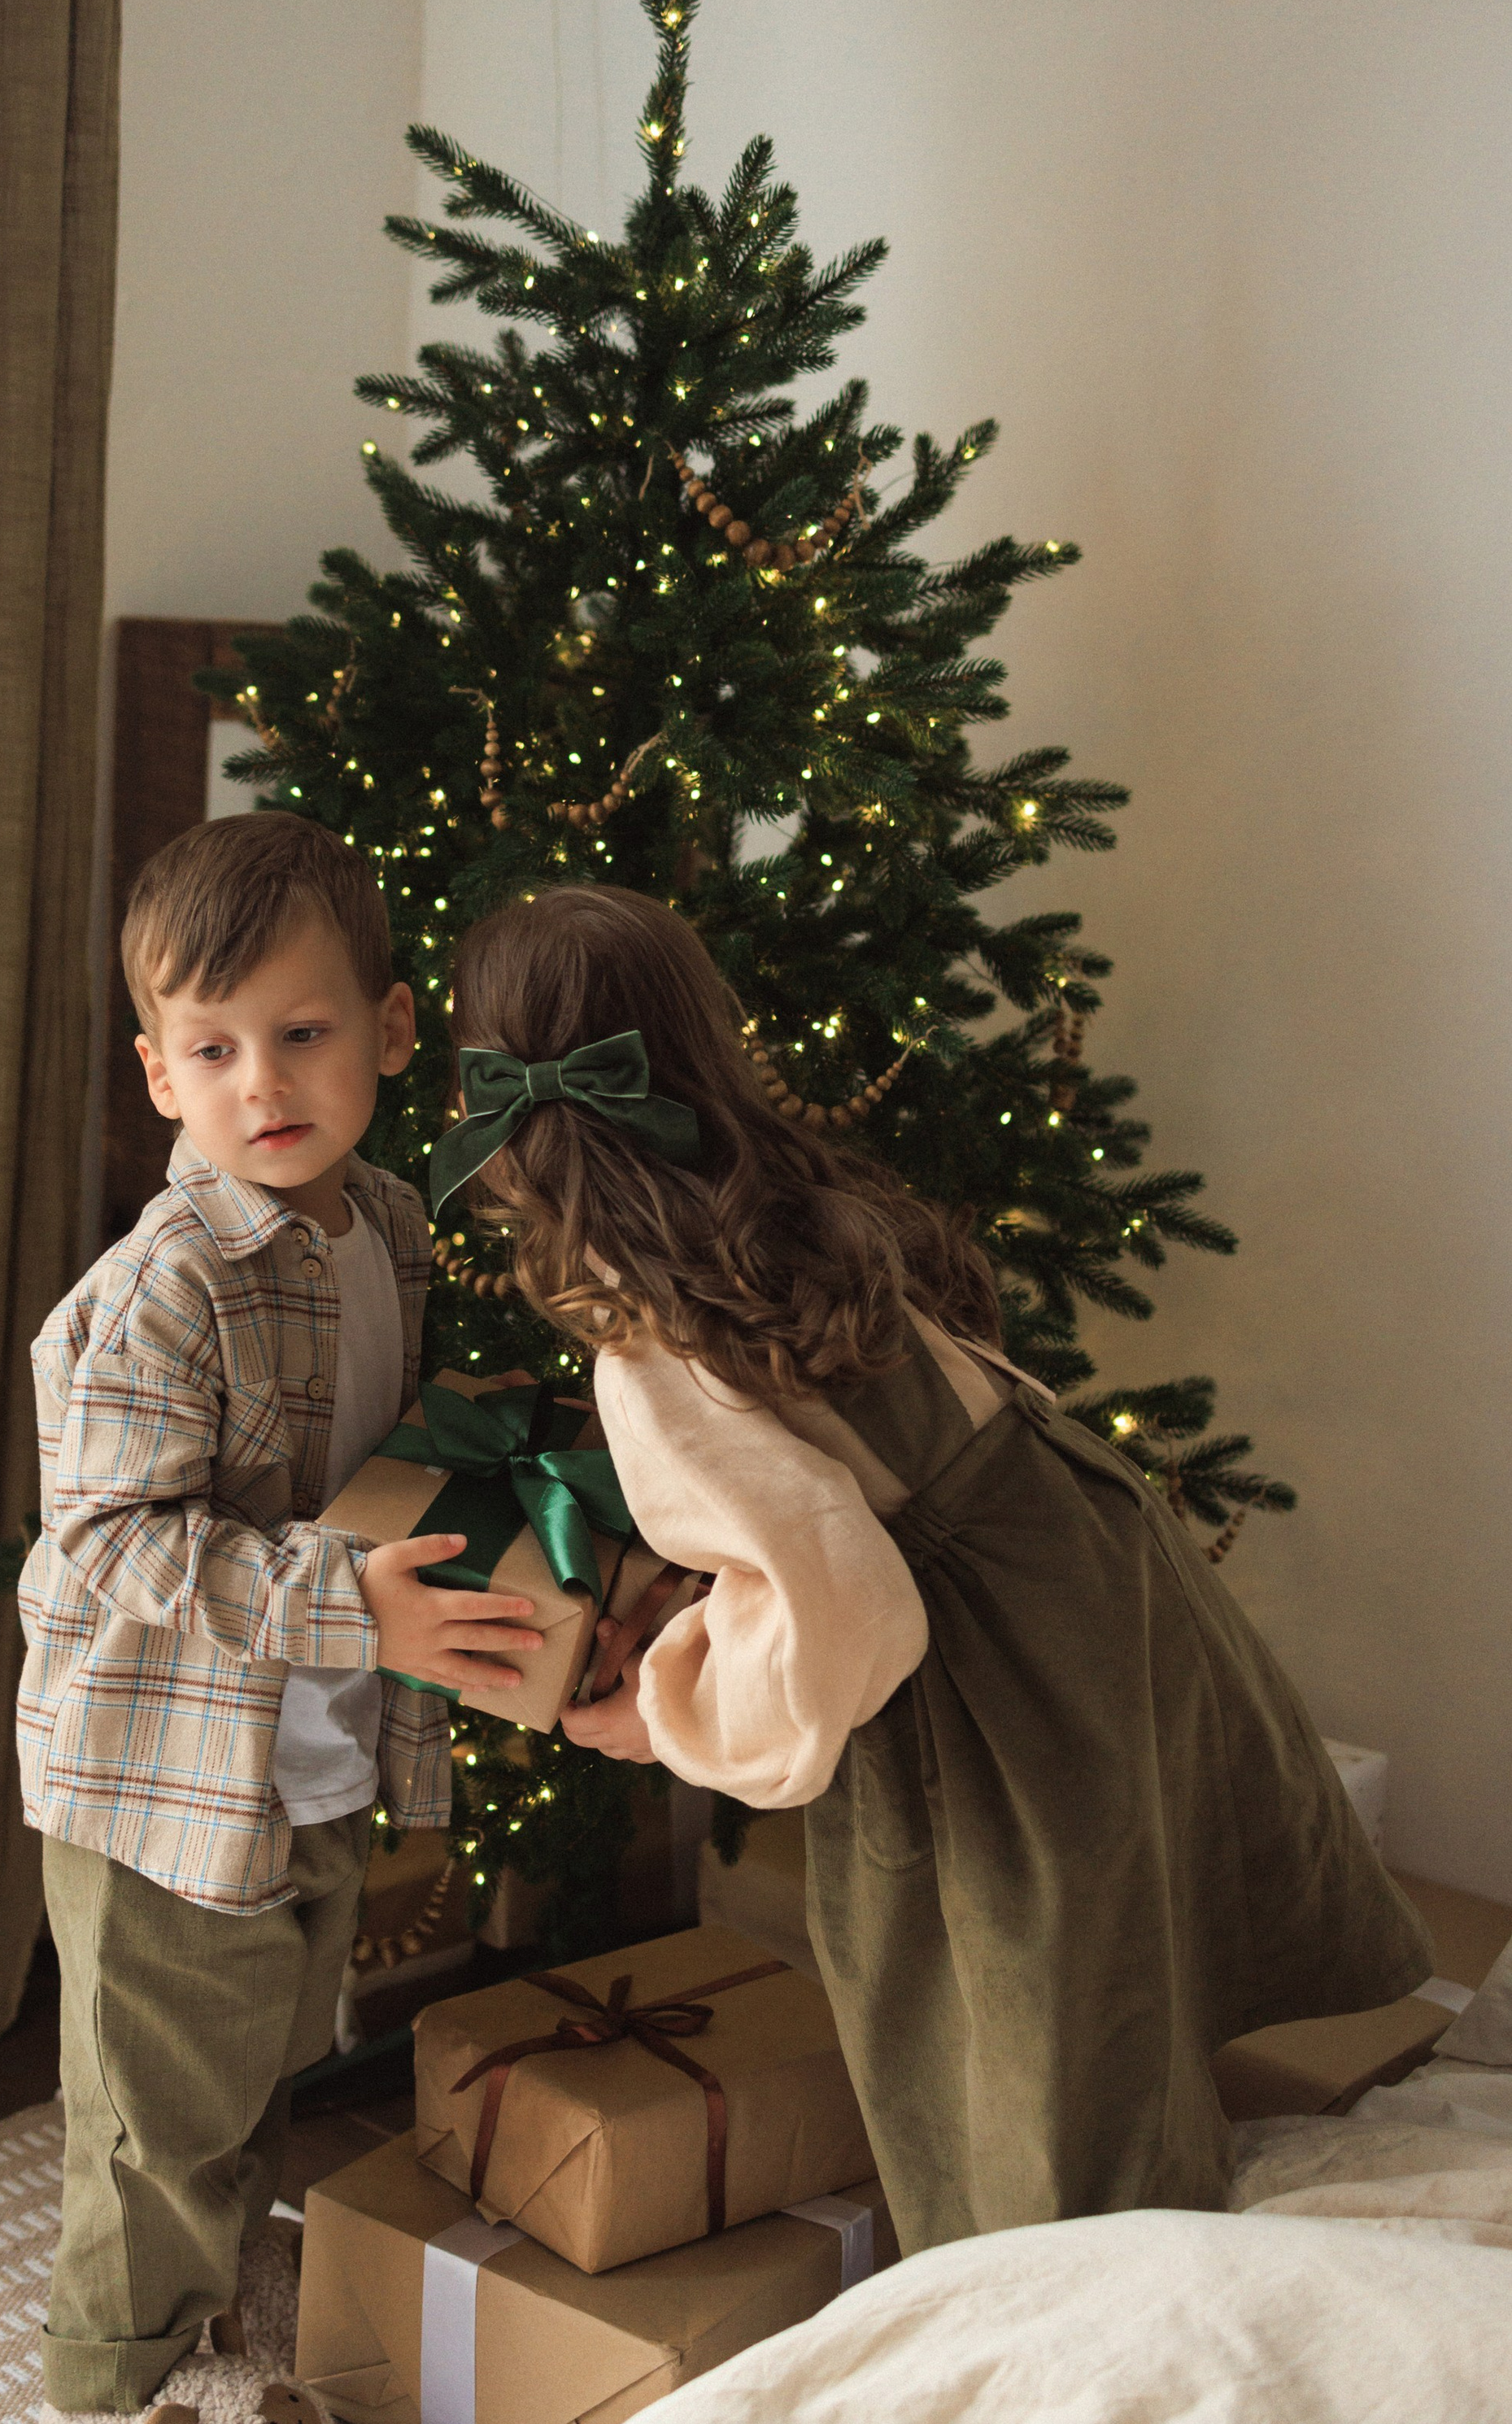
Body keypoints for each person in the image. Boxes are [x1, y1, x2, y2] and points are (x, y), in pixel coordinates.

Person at [429, 883, 1430, 2255]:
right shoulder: (786, 1207)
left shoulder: (652, 1346)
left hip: (980, 1653)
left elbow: (843, 1607)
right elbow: (833, 1508)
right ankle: (1136, 2171)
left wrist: (666, 1714)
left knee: (1007, 1997)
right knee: (1105, 1899)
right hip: (1077, 1544)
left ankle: (1066, 2276)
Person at [19, 814, 542, 2424]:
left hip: (305, 1746)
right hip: (163, 1767)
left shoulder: (385, 1226)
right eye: (214, 1046)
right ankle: (104, 2397)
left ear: (392, 1033)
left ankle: (207, 2314)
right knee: (154, 2094)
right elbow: (102, 1548)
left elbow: (381, 1452)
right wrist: (346, 1605)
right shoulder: (165, 1290)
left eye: (302, 1033)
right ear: (157, 1068)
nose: (263, 1081)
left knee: (257, 2049)